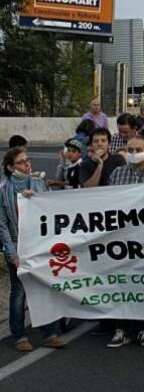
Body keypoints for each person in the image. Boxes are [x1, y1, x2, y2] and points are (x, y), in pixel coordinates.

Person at [0, 147, 65, 351]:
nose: (27, 164)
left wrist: (36, 197)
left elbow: (50, 209)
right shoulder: (3, 189)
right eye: (21, 162)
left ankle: (49, 332)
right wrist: (11, 253)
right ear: (11, 167)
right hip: (18, 245)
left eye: (28, 160)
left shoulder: (37, 182)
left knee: (44, 288)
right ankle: (19, 336)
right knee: (19, 292)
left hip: (39, 245)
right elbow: (2, 224)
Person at [104, 137, 144, 349]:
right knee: (121, 283)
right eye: (130, 149)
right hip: (122, 238)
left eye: (138, 149)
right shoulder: (117, 173)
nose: (134, 152)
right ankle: (121, 328)